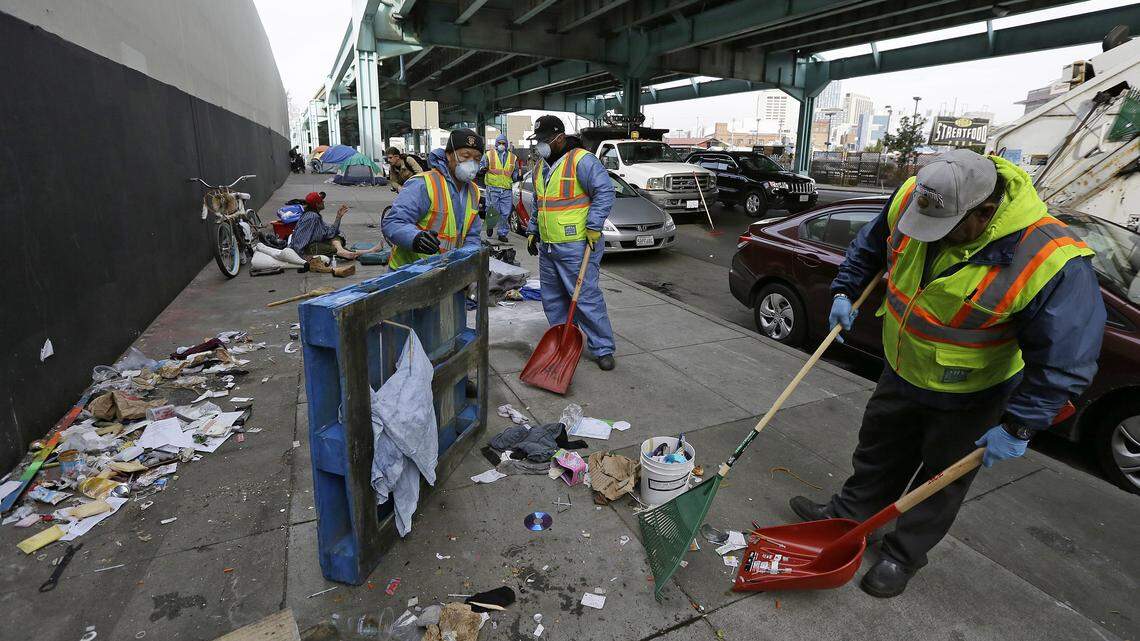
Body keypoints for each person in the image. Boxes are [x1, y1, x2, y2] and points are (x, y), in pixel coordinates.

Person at [789, 149, 1105, 597]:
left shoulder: (1051, 259)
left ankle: (902, 554)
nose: (929, 236)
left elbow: (1065, 359)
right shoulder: (913, 198)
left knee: (940, 481)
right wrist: (846, 288)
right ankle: (852, 518)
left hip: (974, 394)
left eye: (947, 228)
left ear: (986, 213)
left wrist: (1019, 425)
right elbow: (872, 245)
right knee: (878, 451)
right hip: (902, 368)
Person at [525, 115, 617, 371]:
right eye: (538, 140)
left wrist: (594, 226)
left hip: (577, 244)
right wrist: (533, 230)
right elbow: (540, 204)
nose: (540, 145)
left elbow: (605, 192)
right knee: (552, 298)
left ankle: (602, 347)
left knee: (585, 298)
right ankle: (565, 341)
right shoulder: (540, 167)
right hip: (549, 246)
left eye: (544, 140)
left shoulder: (582, 161)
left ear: (560, 137)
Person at [383, 129, 485, 269]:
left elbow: (472, 234)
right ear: (449, 155)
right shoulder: (424, 184)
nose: (471, 163)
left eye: (477, 159)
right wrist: (415, 238)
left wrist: (468, 258)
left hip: (445, 273)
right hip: (409, 274)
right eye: (465, 156)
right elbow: (393, 222)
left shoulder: (473, 191)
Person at [289, 191, 360, 260]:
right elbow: (300, 239)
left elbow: (330, 233)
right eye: (321, 201)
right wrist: (302, 257)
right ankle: (342, 251)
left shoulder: (315, 215)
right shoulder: (311, 217)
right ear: (317, 204)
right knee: (335, 249)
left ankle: (341, 251)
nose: (323, 202)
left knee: (338, 237)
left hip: (318, 242)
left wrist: (338, 217)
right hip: (309, 248)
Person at [480, 133, 522, 242]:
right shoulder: (489, 155)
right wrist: (482, 169)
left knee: (505, 212)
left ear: (507, 144)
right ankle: (490, 225)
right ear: (496, 144)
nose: (501, 145)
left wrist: (518, 176)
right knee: (493, 209)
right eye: (500, 143)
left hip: (506, 189)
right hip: (493, 188)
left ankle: (502, 233)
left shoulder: (513, 158)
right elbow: (481, 166)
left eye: (504, 143)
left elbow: (514, 173)